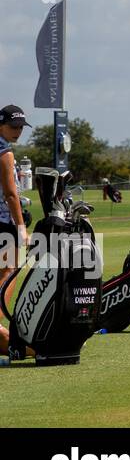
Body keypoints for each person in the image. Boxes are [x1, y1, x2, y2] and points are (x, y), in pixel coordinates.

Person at [0, 106, 33, 358]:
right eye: (13, 127)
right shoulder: (5, 152)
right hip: (3, 224)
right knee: (8, 272)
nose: (18, 132)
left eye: (21, 127)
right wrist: (21, 228)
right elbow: (11, 194)